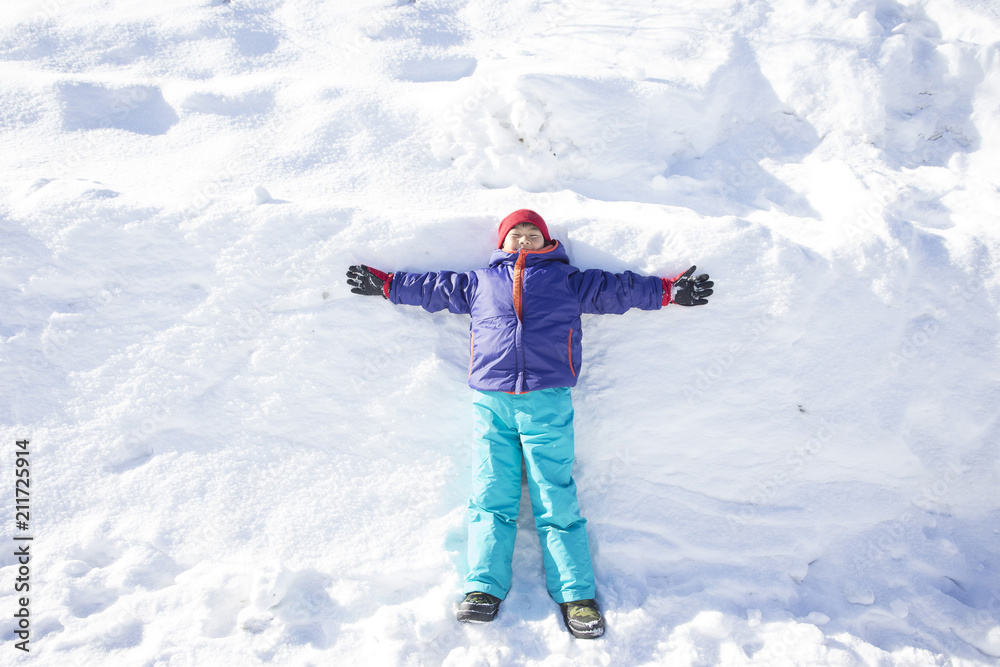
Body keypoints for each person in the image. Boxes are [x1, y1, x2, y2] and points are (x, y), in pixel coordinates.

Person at [346, 209, 712, 639]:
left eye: (532, 234)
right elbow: (433, 288)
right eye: (515, 235)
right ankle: (482, 588)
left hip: (547, 400)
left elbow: (621, 289)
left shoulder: (569, 281)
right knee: (489, 492)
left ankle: (577, 595)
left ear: (547, 242)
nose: (523, 240)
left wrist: (668, 291)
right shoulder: (479, 283)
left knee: (554, 494)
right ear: (501, 244)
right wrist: (387, 284)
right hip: (491, 400)